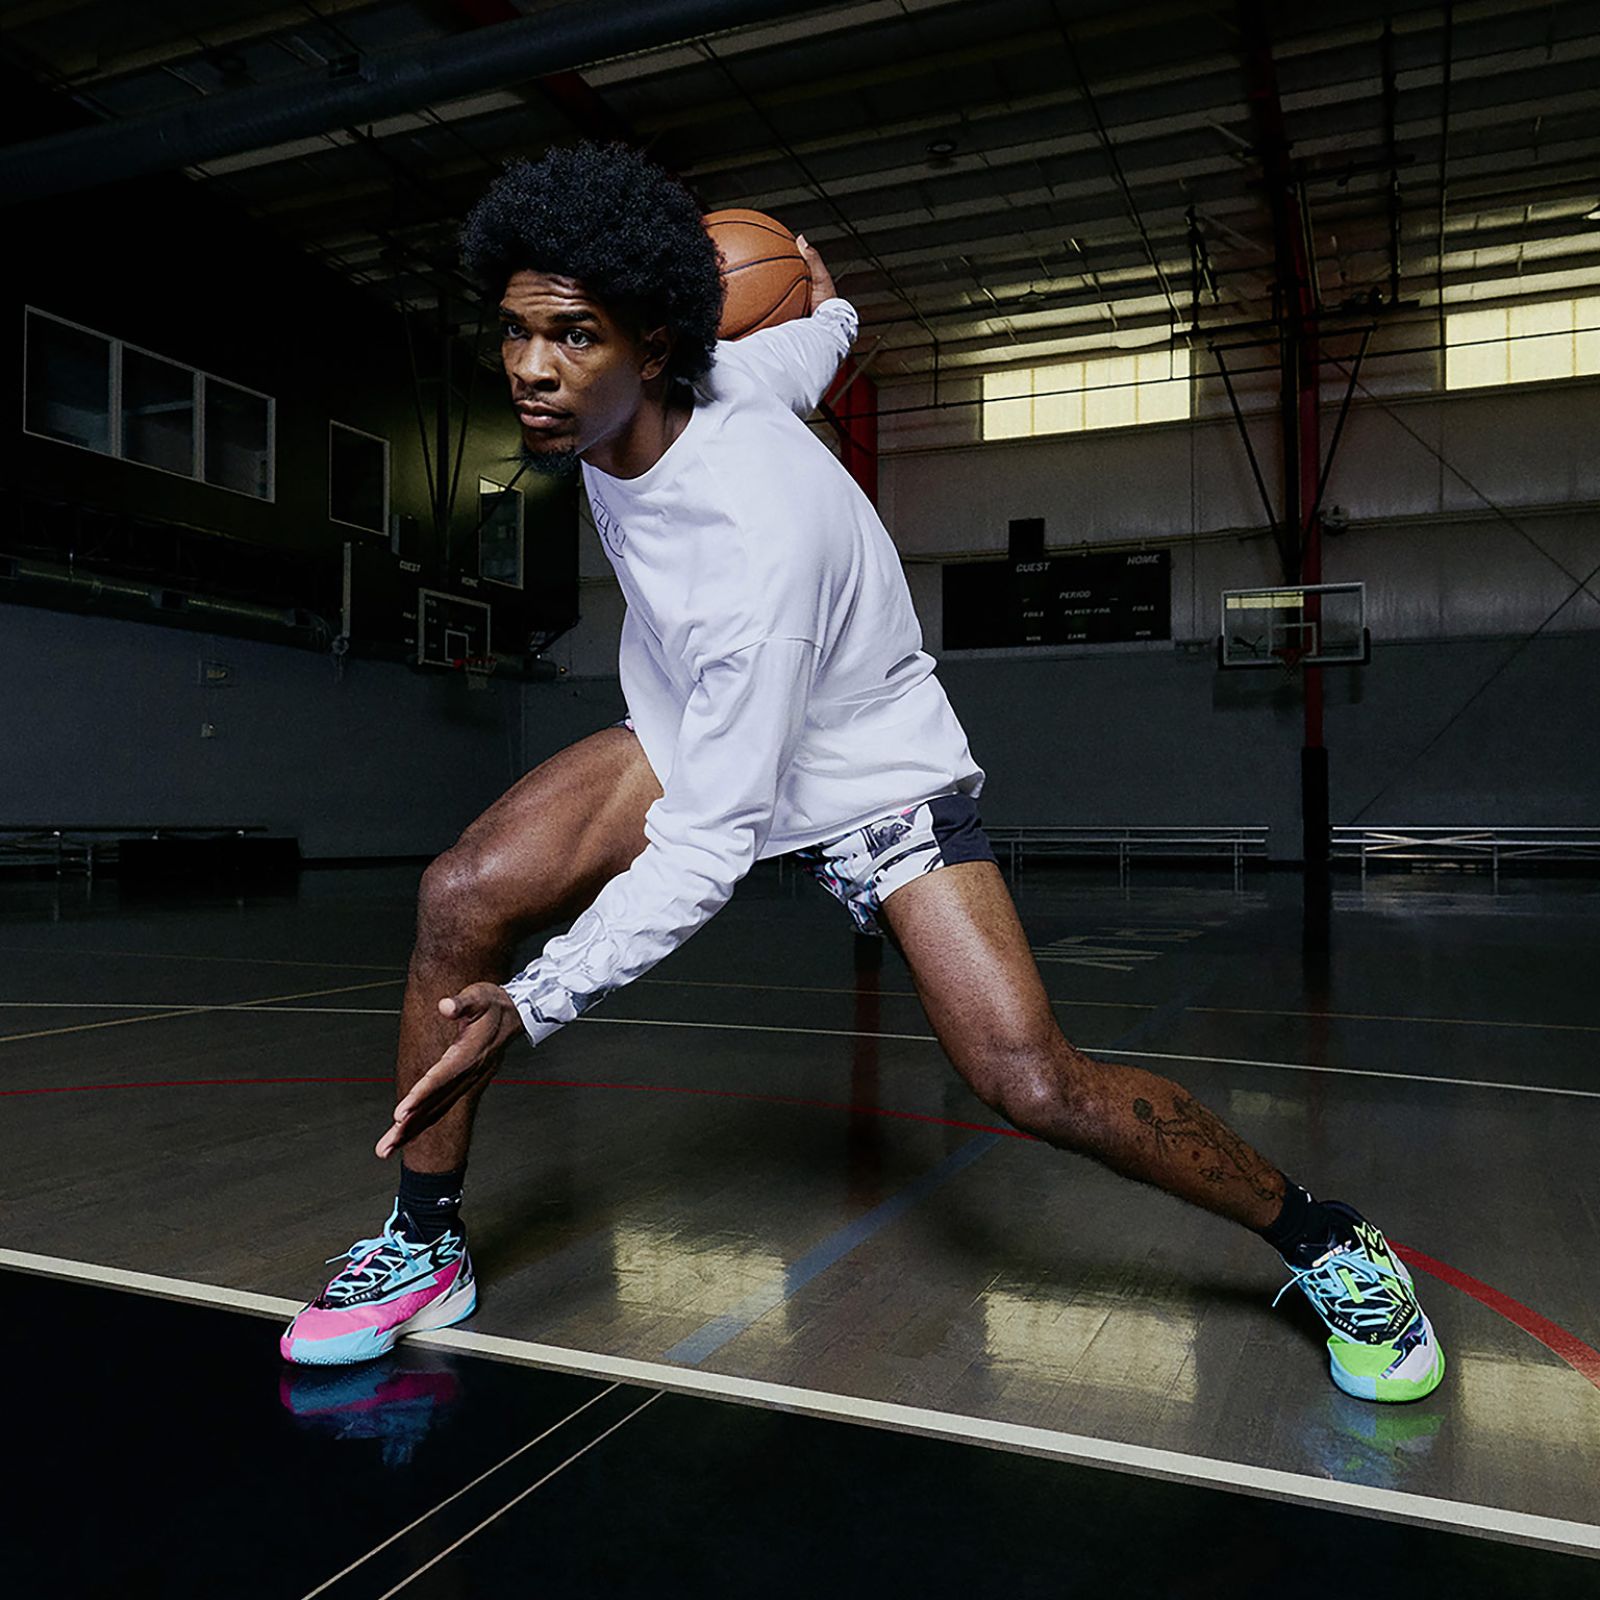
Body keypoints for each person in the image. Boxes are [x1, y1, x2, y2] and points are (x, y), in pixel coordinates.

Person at [281, 143, 1443, 1405]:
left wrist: (536, 1000)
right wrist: (829, 308)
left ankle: (1328, 1239)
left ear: (654, 349)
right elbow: (800, 348)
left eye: (573, 336)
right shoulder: (709, 378)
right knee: (460, 894)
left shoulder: (753, 544)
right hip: (705, 728)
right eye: (516, 331)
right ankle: (424, 1240)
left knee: (1031, 1080)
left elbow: (708, 847)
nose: (531, 368)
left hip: (866, 777)